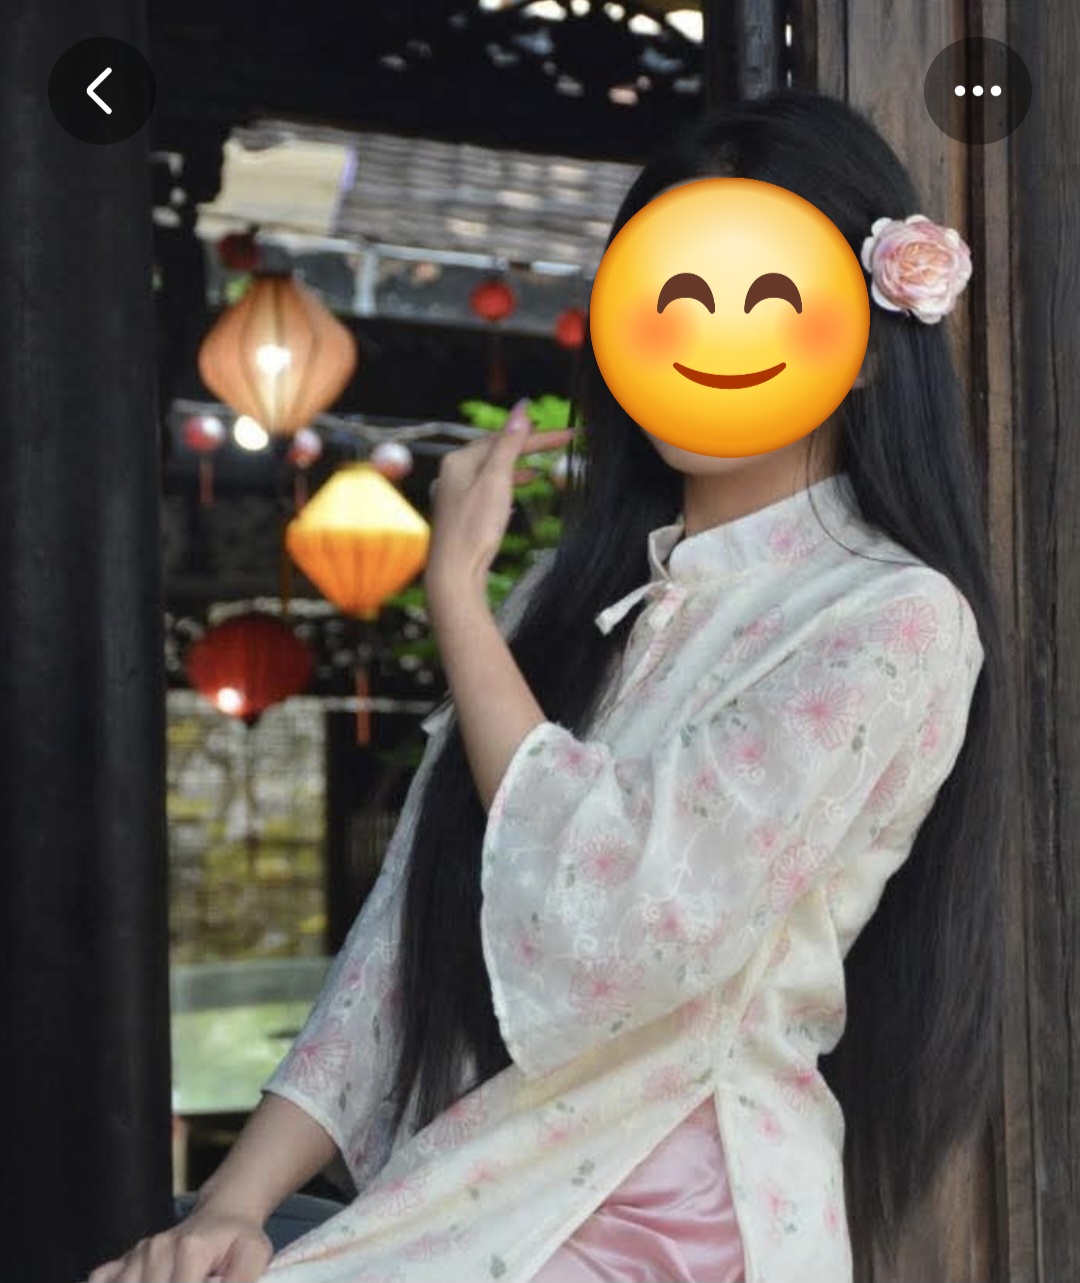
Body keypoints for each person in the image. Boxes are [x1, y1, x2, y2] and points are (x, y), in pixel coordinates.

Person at [88, 88, 1007, 1283]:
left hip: (682, 1213)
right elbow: (404, 937)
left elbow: (619, 924)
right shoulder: (559, 609)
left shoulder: (892, 620)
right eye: (672, 294)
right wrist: (232, 1203)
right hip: (481, 1185)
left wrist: (458, 604)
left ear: (871, 344)